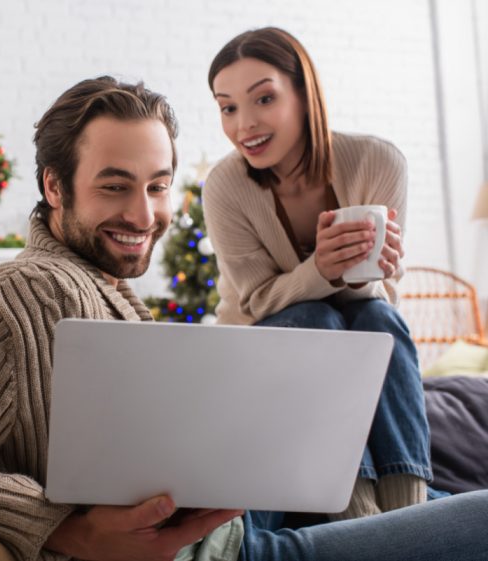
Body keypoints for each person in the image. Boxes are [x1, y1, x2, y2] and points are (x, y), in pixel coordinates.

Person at [0, 76, 488, 561]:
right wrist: (69, 529)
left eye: (157, 186)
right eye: (114, 185)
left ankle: (377, 501)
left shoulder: (99, 287)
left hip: (235, 516)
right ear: (54, 187)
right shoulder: (27, 290)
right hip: (233, 549)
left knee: (355, 325)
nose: (142, 213)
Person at [201, 26, 432, 527]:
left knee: (376, 317)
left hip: (357, 334)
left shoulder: (377, 161)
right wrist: (322, 270)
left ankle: (409, 511)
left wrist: (370, 271)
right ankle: (355, 509)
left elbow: (380, 296)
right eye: (228, 107)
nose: (245, 125)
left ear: (306, 95)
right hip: (256, 346)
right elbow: (259, 302)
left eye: (264, 98)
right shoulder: (225, 186)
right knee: (314, 316)